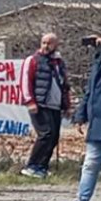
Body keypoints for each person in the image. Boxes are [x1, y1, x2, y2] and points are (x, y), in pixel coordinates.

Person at [56, 25, 101, 201]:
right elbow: (90, 91)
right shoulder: (99, 60)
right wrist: (80, 115)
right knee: (90, 164)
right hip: (98, 122)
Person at [22, 33, 69, 178]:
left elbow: (64, 84)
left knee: (54, 136)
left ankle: (42, 166)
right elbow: (25, 81)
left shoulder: (58, 62)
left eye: (49, 43)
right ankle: (32, 165)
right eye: (43, 42)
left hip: (55, 105)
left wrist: (67, 105)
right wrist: (30, 101)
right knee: (45, 133)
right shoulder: (33, 60)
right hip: (40, 104)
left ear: (56, 45)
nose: (45, 46)